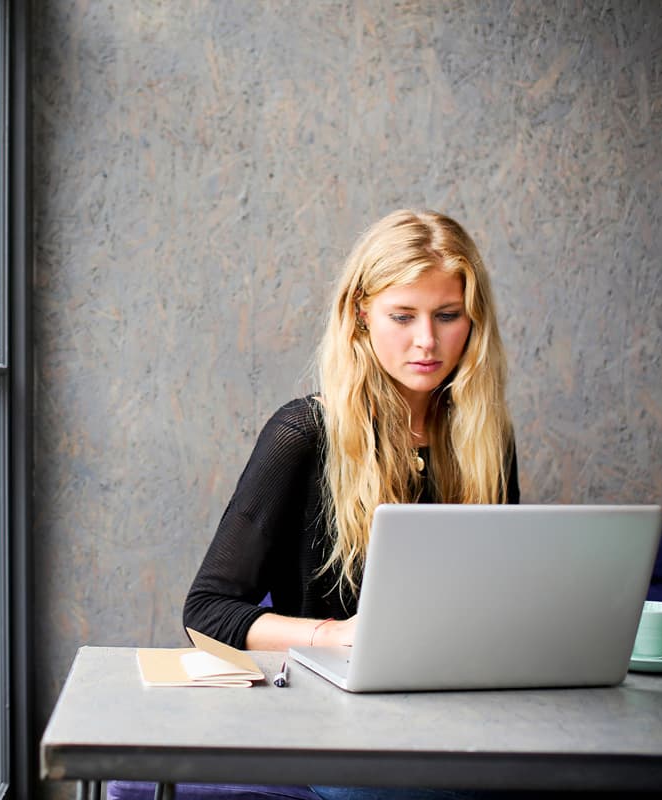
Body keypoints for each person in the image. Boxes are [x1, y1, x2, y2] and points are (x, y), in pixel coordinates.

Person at [183, 209, 520, 800]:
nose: (427, 340)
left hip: (462, 712)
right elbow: (206, 613)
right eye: (402, 316)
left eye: (447, 316)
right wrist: (331, 635)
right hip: (342, 725)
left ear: (473, 320)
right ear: (361, 315)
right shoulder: (302, 432)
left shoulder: (487, 439)